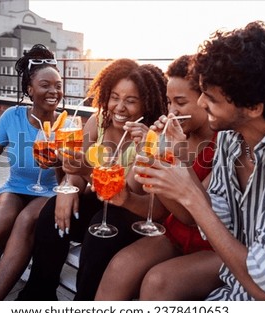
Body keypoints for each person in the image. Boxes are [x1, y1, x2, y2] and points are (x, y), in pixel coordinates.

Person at [134, 21, 265, 300]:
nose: (200, 104)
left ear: (254, 107)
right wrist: (179, 160)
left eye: (210, 98)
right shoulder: (231, 139)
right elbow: (217, 221)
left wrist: (191, 196)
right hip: (236, 291)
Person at [17, 58, 169, 300]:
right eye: (114, 97)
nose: (119, 107)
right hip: (101, 201)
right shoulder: (97, 121)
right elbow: (77, 167)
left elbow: (125, 191)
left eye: (131, 101)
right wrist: (68, 189)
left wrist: (84, 171)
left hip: (129, 211)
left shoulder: (148, 137)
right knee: (50, 213)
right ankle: (38, 295)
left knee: (100, 232)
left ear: (146, 104)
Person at [95, 55, 223, 300]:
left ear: (206, 99)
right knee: (120, 266)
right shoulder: (168, 136)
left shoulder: (222, 144)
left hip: (214, 242)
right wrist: (126, 197)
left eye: (181, 103)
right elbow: (162, 210)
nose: (172, 111)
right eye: (168, 102)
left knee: (158, 282)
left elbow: (190, 215)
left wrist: (169, 158)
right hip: (175, 232)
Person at [0, 44, 64, 300]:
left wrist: (58, 163)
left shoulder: (68, 125)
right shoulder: (12, 117)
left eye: (58, 84)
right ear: (29, 90)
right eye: (45, 85)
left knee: (26, 221)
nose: (53, 91)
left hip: (49, 193)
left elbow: (70, 179)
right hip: (16, 186)